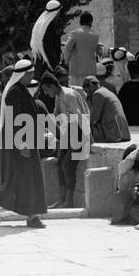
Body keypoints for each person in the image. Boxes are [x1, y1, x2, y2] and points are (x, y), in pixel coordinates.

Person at [0, 58, 47, 227]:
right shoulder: (15, 92)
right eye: (29, 73)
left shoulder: (21, 90)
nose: (31, 76)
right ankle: (28, 215)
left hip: (27, 141)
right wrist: (21, 145)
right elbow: (13, 120)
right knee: (18, 177)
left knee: (28, 179)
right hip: (19, 143)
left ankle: (31, 215)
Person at [50, 79, 89, 208]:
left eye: (45, 89)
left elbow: (79, 116)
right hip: (68, 131)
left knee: (67, 165)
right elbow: (57, 114)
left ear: (51, 86)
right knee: (59, 163)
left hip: (79, 130)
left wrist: (89, 137)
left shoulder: (68, 95)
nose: (45, 93)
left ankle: (69, 201)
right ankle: (61, 200)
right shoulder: (58, 96)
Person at [84, 74, 130, 144]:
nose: (87, 93)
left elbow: (94, 118)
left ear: (90, 85)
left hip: (113, 130)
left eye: (86, 91)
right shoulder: (104, 90)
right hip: (122, 131)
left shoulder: (98, 94)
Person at [111, 144, 139, 225]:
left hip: (136, 205)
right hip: (123, 204)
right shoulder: (123, 168)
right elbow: (129, 161)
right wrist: (137, 151)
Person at [61, 11, 99, 85]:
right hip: (91, 71)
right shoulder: (95, 36)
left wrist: (66, 62)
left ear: (80, 22)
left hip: (76, 72)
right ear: (91, 22)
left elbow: (67, 49)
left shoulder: (75, 33)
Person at [29, 0, 64, 76]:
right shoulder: (48, 27)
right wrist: (54, 65)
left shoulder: (42, 24)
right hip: (47, 63)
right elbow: (48, 47)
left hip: (41, 60)